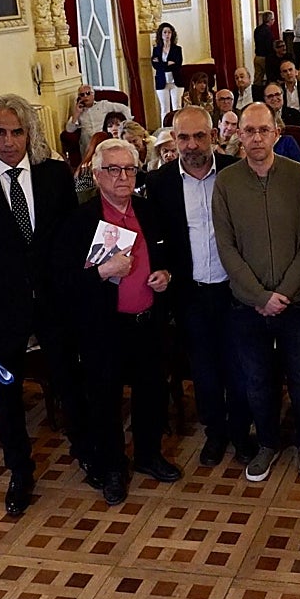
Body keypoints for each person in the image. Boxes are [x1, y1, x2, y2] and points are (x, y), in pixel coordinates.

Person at [0, 94, 78, 516]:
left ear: (30, 134)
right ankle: (19, 473)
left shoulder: (55, 176)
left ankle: (89, 454)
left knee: (70, 384)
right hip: (3, 311)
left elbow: (71, 245)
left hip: (57, 306)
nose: (8, 141)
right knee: (7, 396)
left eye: (16, 131)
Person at [54, 139, 177, 505]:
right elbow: (63, 283)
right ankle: (111, 467)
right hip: (103, 326)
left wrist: (166, 274)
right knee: (104, 399)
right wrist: (102, 272)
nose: (123, 176)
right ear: (96, 174)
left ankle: (148, 455)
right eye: (113, 169)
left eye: (129, 169)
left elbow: (168, 252)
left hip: (147, 320)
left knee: (151, 391)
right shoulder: (80, 220)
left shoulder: (148, 209)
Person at [212, 103, 300, 483]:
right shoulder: (226, 182)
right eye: (248, 131)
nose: (256, 138)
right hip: (248, 305)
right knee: (256, 380)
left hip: (296, 302)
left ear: (277, 132)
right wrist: (260, 296)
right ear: (238, 135)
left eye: (263, 130)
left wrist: (285, 293)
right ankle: (268, 445)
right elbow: (225, 246)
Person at [145, 107, 253, 468]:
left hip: (235, 289)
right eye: (183, 138)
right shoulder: (159, 184)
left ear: (214, 136)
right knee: (204, 369)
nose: (191, 145)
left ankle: (241, 433)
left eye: (199, 136)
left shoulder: (236, 173)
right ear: (173, 140)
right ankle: (215, 433)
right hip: (190, 292)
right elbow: (157, 240)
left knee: (239, 366)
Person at [65, 85, 133, 147]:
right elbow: (69, 130)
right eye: (82, 95)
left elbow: (124, 108)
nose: (85, 96)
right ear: (79, 98)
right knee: (85, 137)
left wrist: (128, 124)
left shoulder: (103, 105)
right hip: (88, 144)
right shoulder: (79, 111)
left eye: (88, 93)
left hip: (103, 140)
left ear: (93, 94)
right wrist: (76, 114)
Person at [151, 23, 183, 118]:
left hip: (176, 81)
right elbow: (155, 65)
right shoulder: (156, 49)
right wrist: (167, 64)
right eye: (165, 32)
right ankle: (165, 129)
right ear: (161, 34)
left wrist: (162, 64)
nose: (167, 34)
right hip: (162, 81)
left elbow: (178, 64)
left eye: (169, 32)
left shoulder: (177, 49)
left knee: (177, 107)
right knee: (164, 108)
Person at [252, 11, 275, 82]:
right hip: (265, 58)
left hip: (257, 57)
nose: (274, 21)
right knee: (270, 76)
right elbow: (269, 46)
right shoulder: (268, 31)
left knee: (257, 79)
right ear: (270, 20)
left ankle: (256, 92)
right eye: (273, 19)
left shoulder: (257, 29)